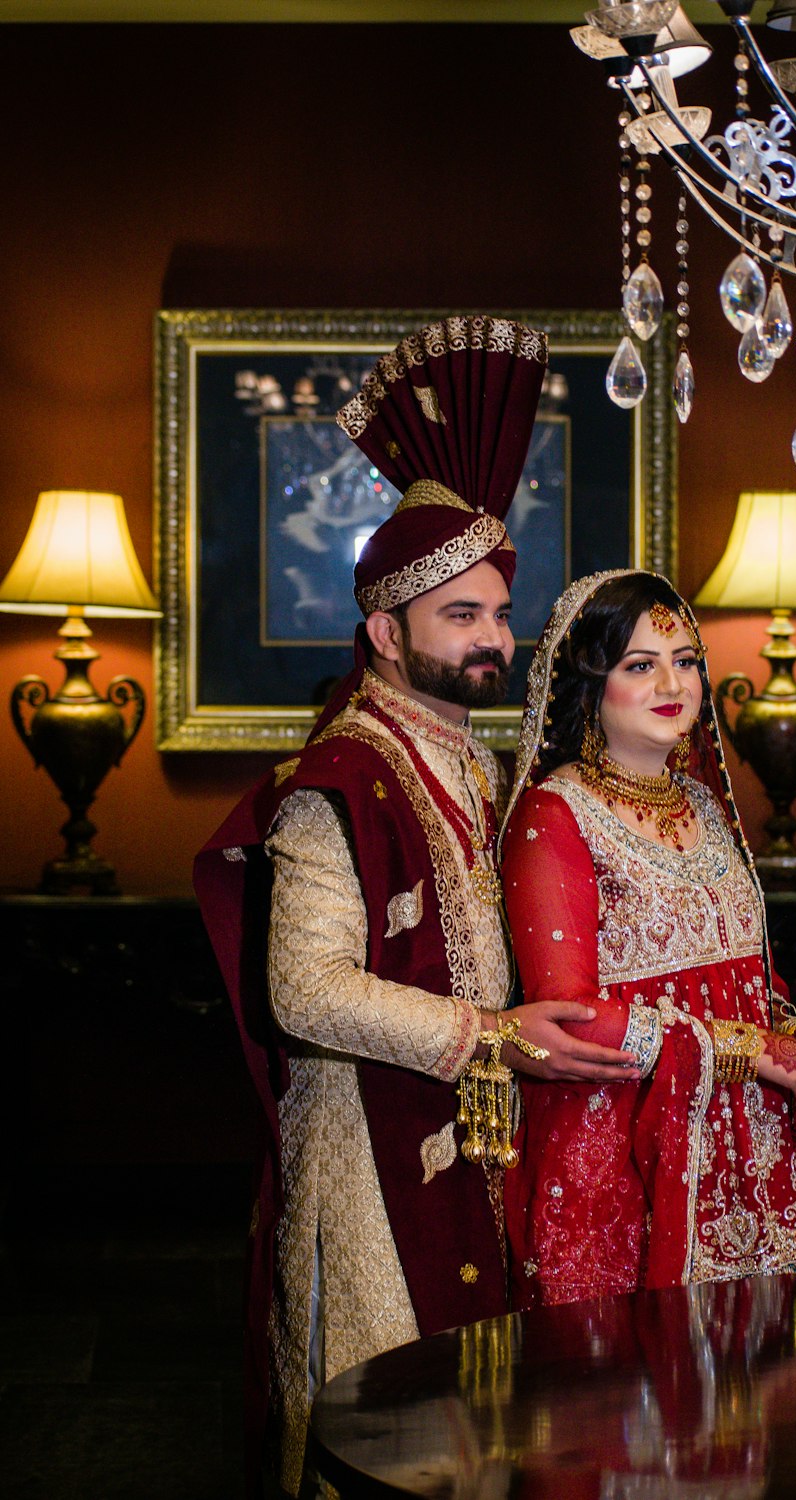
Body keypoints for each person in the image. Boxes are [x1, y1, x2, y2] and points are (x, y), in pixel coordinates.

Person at [194, 320, 634, 1498]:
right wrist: (492, 1038)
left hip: (477, 1144)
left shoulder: (476, 767)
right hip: (367, 1160)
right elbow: (306, 991)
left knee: (485, 1435)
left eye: (500, 613)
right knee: (386, 1438)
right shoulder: (336, 783)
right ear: (387, 631)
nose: (495, 640)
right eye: (462, 618)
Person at [500, 569, 796, 1309]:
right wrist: (750, 1052)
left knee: (757, 1391)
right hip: (624, 1153)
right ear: (589, 685)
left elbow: (741, 976)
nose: (670, 682)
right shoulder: (556, 814)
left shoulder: (706, 807)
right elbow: (569, 1015)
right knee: (632, 1402)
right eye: (639, 665)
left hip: (748, 1147)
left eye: (684, 661)